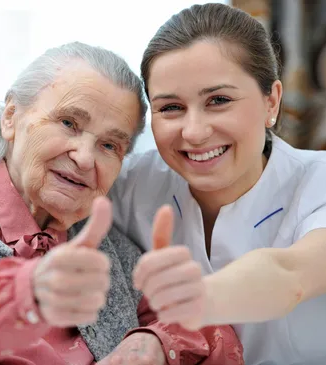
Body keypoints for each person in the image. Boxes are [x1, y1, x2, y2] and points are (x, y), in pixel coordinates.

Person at [0, 41, 243, 365]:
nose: (83, 158)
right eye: (68, 123)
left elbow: (212, 329)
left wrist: (151, 345)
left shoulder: (112, 253)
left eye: (109, 145)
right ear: (11, 116)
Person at [110, 3, 326, 365]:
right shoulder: (132, 184)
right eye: (170, 108)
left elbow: (291, 275)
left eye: (219, 100)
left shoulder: (318, 181)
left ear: (271, 100)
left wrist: (194, 303)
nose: (194, 132)